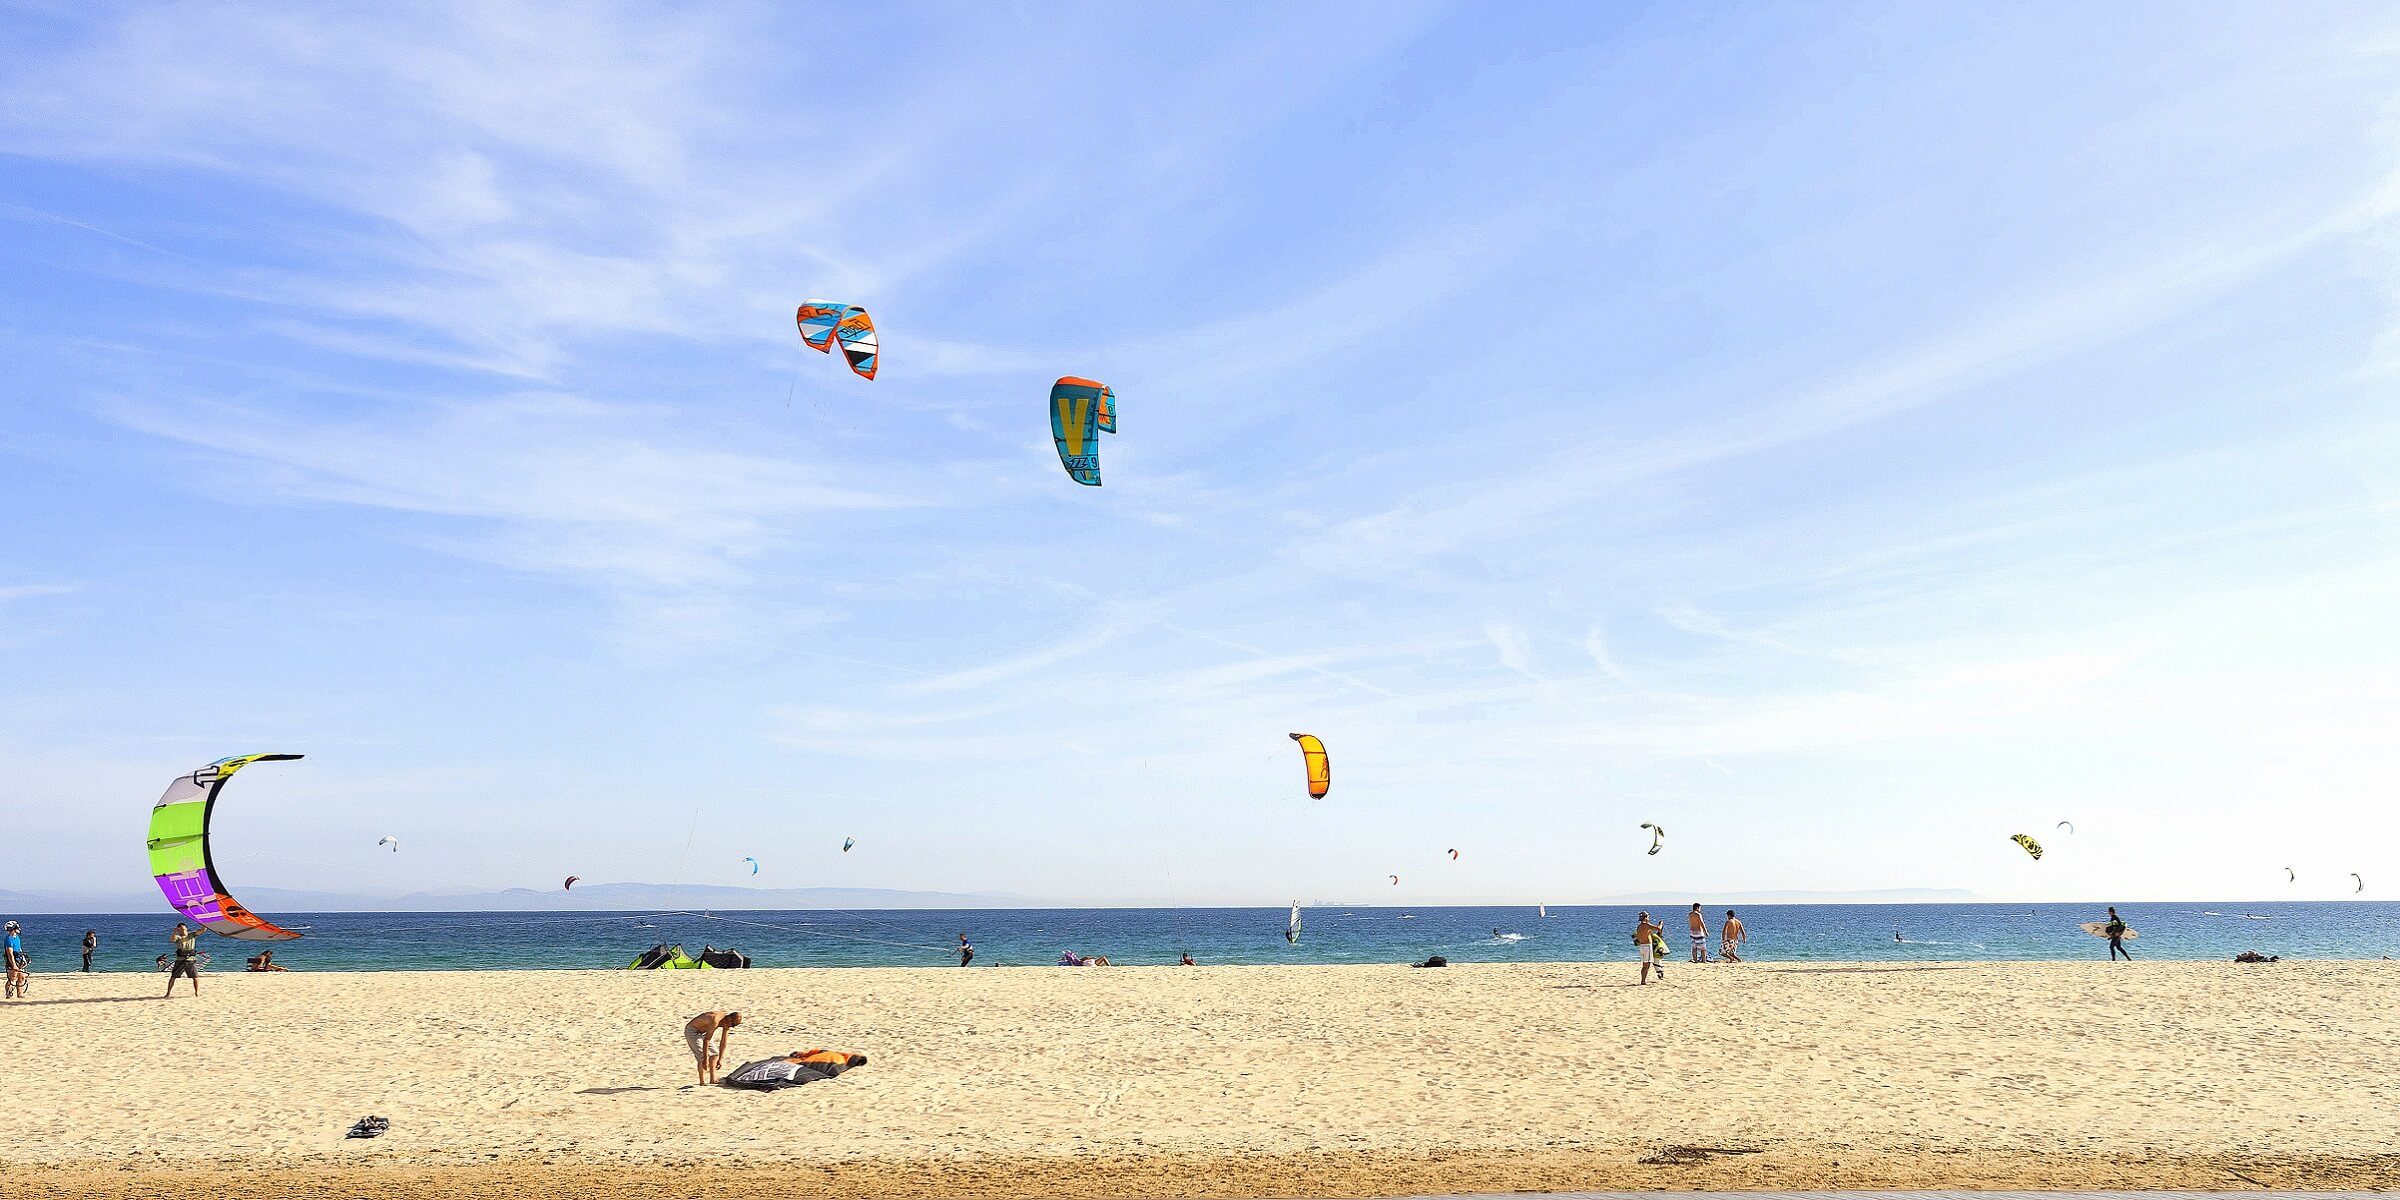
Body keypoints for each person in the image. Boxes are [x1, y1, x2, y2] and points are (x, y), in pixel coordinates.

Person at [683, 1011, 742, 1084]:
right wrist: (705, 1059)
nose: (732, 1027)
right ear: (729, 1019)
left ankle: (712, 1080)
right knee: (701, 1056)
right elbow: (706, 1041)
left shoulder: (726, 1023)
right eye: (733, 1024)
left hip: (704, 1032)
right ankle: (702, 1082)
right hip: (692, 1030)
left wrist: (720, 1059)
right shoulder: (715, 1020)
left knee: (715, 1054)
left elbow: (723, 1042)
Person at [164, 922, 201, 998]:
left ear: (186, 928)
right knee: (173, 977)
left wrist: (203, 924)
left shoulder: (192, 935)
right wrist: (174, 932)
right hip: (180, 960)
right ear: (178, 930)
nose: (182, 930)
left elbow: (202, 930)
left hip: (190, 960)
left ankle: (196, 993)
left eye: (183, 928)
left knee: (195, 977)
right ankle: (168, 993)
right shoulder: (178, 937)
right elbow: (172, 940)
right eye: (180, 928)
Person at [1634, 911, 1666, 985]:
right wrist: (1661, 923)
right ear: (1645, 917)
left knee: (1644, 965)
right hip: (1647, 946)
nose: (1648, 918)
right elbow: (1658, 928)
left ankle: (1643, 980)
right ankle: (1643, 981)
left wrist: (1648, 933)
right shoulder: (1646, 925)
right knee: (1646, 966)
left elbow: (1640, 937)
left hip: (1642, 947)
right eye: (1648, 916)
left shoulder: (1639, 927)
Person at [4, 920, 26, 999]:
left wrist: (23, 959)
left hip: (19, 959)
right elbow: (10, 954)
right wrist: (14, 965)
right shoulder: (9, 939)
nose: (19, 929)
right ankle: (8, 994)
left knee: (21, 977)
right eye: (17, 927)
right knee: (13, 978)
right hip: (12, 961)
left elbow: (19, 949)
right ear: (13, 929)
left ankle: (19, 994)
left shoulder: (16, 938)